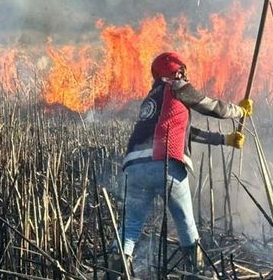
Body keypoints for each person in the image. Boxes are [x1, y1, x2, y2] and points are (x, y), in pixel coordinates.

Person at [107, 51, 252, 278]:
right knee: (186, 225)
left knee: (130, 227)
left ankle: (113, 273)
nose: (185, 75)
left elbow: (185, 132)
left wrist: (224, 139)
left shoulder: (152, 98)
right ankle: (199, 273)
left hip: (134, 167)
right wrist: (239, 110)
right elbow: (211, 106)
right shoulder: (177, 87)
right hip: (165, 165)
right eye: (182, 71)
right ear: (176, 71)